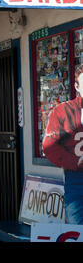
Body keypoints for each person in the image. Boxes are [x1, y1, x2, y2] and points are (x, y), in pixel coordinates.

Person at [43, 63, 83, 224]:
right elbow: (49, 147)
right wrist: (75, 161)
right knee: (78, 230)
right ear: (76, 86)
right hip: (77, 178)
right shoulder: (62, 111)